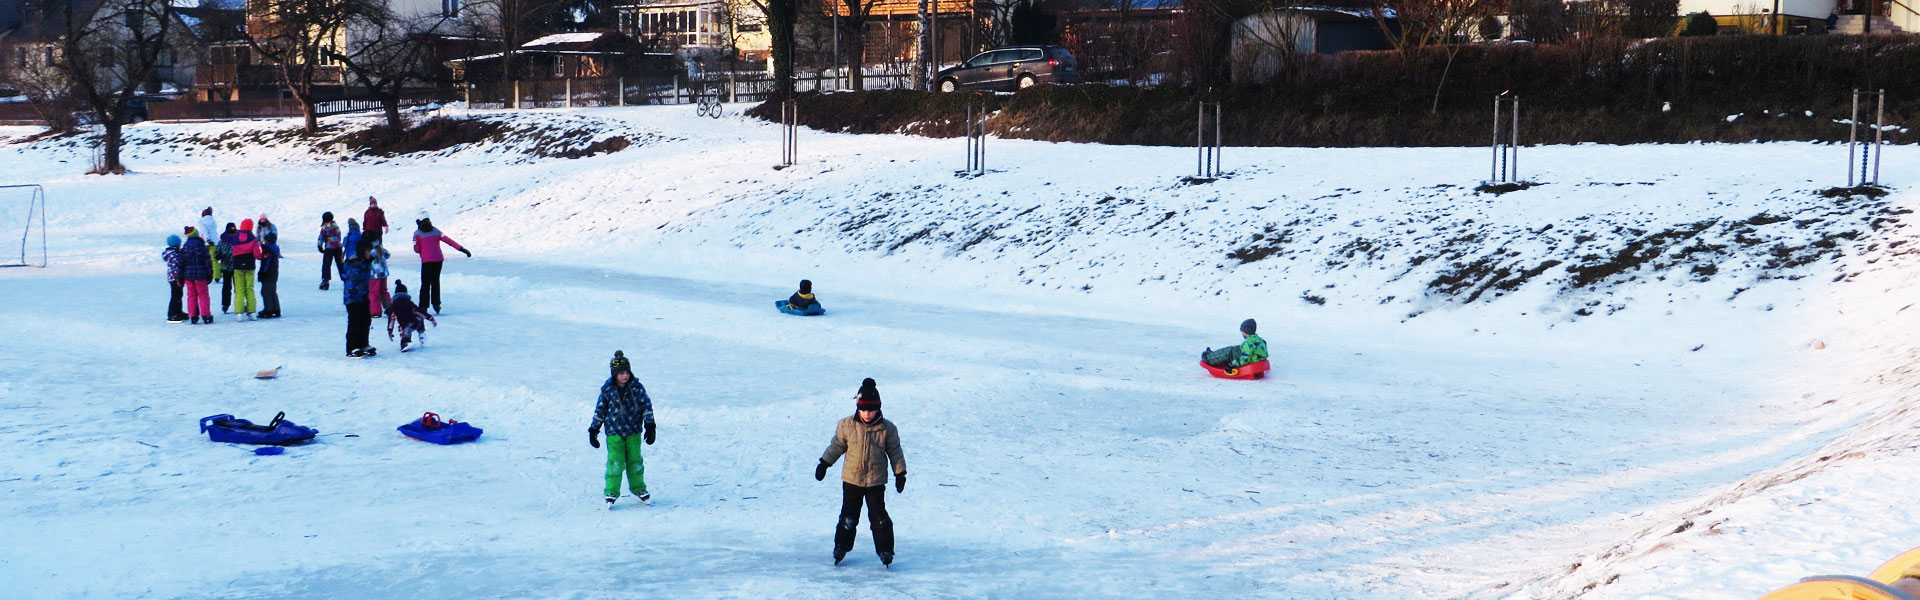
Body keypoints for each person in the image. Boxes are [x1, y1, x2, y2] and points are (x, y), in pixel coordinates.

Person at [815, 378, 906, 566]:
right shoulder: (846, 425)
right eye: (863, 409)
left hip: (876, 482)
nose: (867, 414)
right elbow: (837, 446)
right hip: (852, 480)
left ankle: (885, 550)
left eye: (871, 409)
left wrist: (900, 473)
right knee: (848, 516)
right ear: (857, 407)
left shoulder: (887, 429)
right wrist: (824, 463)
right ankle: (841, 546)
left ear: (878, 408)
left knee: (879, 518)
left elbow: (895, 452)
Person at [590, 350, 655, 507]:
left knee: (635, 462)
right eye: (621, 373)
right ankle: (611, 491)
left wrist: (650, 425)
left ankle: (639, 488)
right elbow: (600, 411)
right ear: (614, 374)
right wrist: (594, 430)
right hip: (614, 434)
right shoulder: (607, 390)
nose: (625, 375)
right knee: (615, 463)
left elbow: (646, 406)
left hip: (633, 432)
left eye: (627, 372)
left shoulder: (637, 387)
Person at [412, 212, 469, 314]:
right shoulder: (436, 231)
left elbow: (416, 249)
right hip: (438, 260)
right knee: (435, 281)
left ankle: (423, 306)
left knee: (425, 283)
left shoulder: (417, 233)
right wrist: (462, 249)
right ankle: (436, 304)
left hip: (427, 261)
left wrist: (422, 248)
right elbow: (449, 240)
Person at [341, 238, 376, 357]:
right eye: (368, 251)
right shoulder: (354, 264)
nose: (370, 253)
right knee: (355, 322)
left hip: (363, 296)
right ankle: (352, 347)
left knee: (366, 320)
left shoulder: (365, 262)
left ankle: (363, 344)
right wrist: (359, 295)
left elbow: (383, 253)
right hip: (353, 298)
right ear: (362, 251)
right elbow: (351, 282)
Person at [385, 281, 437, 351]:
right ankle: (421, 333)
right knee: (419, 318)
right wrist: (431, 318)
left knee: (405, 331)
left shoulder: (393, 306)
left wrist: (390, 330)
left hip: (405, 325)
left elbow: (391, 320)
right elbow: (420, 311)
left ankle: (405, 343)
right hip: (415, 322)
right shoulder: (410, 303)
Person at [229, 219, 264, 320]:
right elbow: (257, 255)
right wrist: (263, 255)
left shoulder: (235, 238)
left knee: (239, 289)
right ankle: (251, 311)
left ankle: (239, 312)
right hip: (249, 266)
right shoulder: (253, 239)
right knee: (249, 289)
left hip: (237, 266)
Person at [180, 227, 214, 324]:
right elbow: (208, 262)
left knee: (191, 295)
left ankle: (193, 315)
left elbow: (181, 263)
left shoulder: (185, 247)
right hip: (201, 276)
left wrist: (182, 275)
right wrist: (210, 274)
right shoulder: (201, 247)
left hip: (188, 276)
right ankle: (206, 315)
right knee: (203, 295)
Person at [1202, 319, 1269, 368]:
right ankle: (1213, 354)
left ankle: (1208, 358)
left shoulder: (1249, 343)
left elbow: (1245, 359)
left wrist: (1233, 364)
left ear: (1246, 332)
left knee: (1229, 351)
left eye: (1241, 331)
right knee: (1236, 348)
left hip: (1250, 361)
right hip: (1256, 359)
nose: (1241, 332)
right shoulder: (1260, 340)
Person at [257, 232, 282, 319]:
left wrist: (262, 273)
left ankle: (268, 310)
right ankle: (276, 309)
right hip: (274, 274)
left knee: (265, 292)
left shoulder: (268, 250)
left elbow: (266, 263)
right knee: (272, 292)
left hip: (268, 274)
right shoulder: (274, 248)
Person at [317, 212, 343, 290]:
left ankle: (325, 281)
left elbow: (321, 237)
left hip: (330, 248)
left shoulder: (325, 226)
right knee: (340, 264)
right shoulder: (336, 225)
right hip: (338, 247)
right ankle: (346, 279)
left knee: (326, 265)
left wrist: (320, 246)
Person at [164, 234, 186, 323]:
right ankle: (172, 314)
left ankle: (178, 311)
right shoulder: (174, 254)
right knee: (175, 295)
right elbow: (176, 267)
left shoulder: (174, 253)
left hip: (174, 277)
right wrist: (179, 277)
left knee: (179, 295)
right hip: (175, 278)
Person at [367, 237, 391, 318]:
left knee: (374, 292)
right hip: (384, 273)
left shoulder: (371, 251)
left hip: (375, 275)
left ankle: (375, 311)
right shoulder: (381, 249)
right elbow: (388, 255)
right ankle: (389, 308)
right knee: (383, 291)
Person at [216, 223, 237, 313]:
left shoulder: (222, 241)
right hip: (237, 267)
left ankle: (226, 304)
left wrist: (220, 255)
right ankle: (238, 304)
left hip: (226, 267)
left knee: (226, 287)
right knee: (238, 287)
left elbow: (217, 255)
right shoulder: (238, 239)